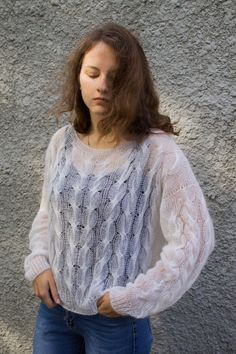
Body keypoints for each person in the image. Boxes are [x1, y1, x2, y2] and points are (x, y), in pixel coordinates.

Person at [24, 22, 215, 354]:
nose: (102, 86)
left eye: (115, 77)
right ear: (78, 77)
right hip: (55, 315)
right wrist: (39, 262)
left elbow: (195, 239)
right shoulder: (62, 143)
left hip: (114, 325)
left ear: (133, 83)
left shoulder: (156, 152)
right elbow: (47, 214)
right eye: (93, 73)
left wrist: (135, 296)